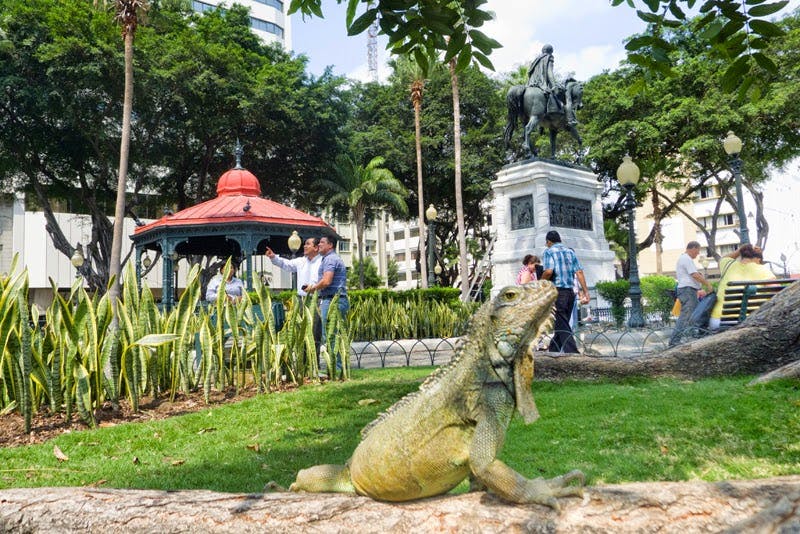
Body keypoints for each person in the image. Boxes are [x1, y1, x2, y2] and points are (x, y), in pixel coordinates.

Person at [266, 237, 323, 364]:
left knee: (314, 333)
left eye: (308, 244)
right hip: (301, 300)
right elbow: (286, 264)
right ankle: (302, 364)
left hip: (316, 300)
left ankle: (314, 364)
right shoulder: (301, 261)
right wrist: (273, 257)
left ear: (316, 247)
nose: (304, 246)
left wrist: (314, 288)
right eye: (304, 244)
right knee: (300, 333)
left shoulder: (322, 262)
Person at [540, 231, 589, 353]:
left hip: (557, 292)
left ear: (549, 242)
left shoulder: (549, 252)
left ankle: (572, 352)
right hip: (570, 292)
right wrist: (585, 291)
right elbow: (579, 272)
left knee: (562, 322)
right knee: (562, 322)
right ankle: (553, 350)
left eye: (547, 243)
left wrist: (539, 283)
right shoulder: (570, 252)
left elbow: (549, 271)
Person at [708, 244, 776, 331]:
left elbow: (723, 258)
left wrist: (740, 249)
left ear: (741, 255)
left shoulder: (727, 264)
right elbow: (775, 292)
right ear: (757, 258)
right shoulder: (763, 270)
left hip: (718, 321)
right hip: (749, 322)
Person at [305, 235, 349, 357]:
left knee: (331, 336)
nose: (319, 244)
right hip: (334, 300)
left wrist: (312, 288)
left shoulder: (330, 259)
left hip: (332, 301)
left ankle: (337, 370)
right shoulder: (330, 258)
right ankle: (336, 370)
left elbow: (326, 281)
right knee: (332, 335)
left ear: (330, 245)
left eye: (322, 242)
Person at [668, 241, 713, 346]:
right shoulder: (686, 258)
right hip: (687, 290)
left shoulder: (686, 259)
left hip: (689, 290)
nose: (697, 254)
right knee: (686, 315)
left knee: (696, 314)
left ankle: (696, 334)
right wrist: (708, 284)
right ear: (693, 248)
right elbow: (694, 275)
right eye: (697, 251)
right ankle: (674, 341)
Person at [527, 44, 563, 113]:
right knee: (558, 101)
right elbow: (550, 73)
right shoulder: (549, 57)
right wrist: (554, 86)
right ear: (551, 51)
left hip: (531, 84)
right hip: (542, 84)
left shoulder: (536, 60)